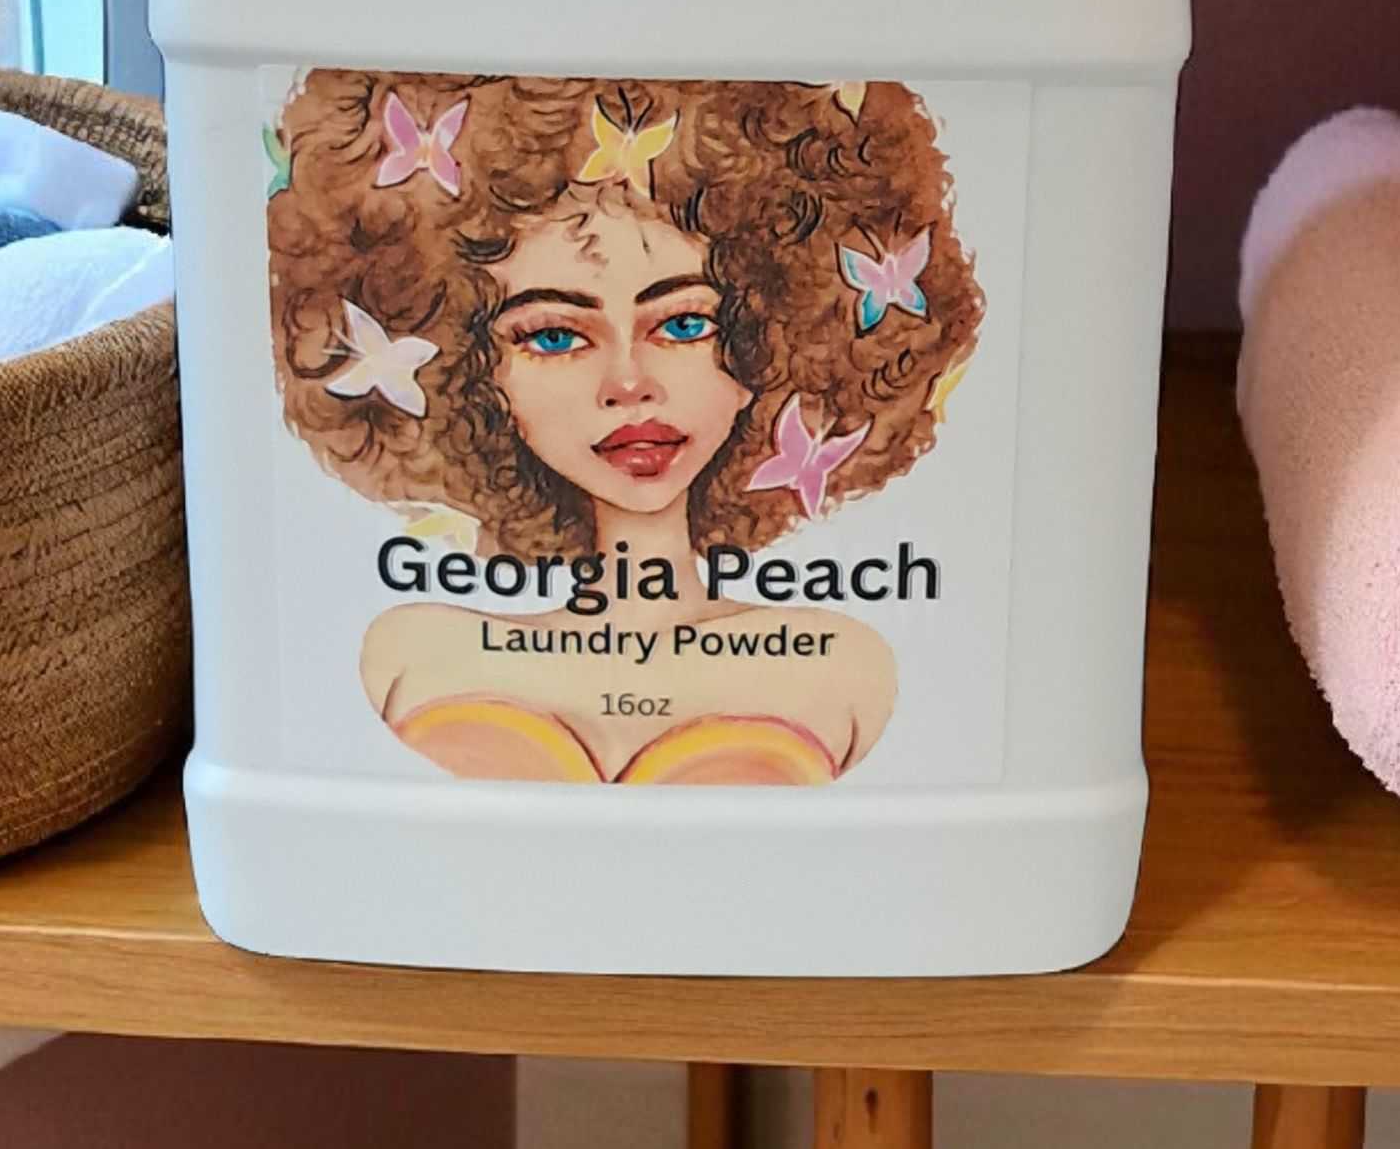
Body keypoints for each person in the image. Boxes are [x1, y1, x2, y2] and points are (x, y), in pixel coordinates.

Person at [269, 73, 983, 785]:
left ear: (769, 341)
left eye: (684, 324)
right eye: (553, 336)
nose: (629, 383)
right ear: (474, 373)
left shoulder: (847, 671)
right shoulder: (406, 654)